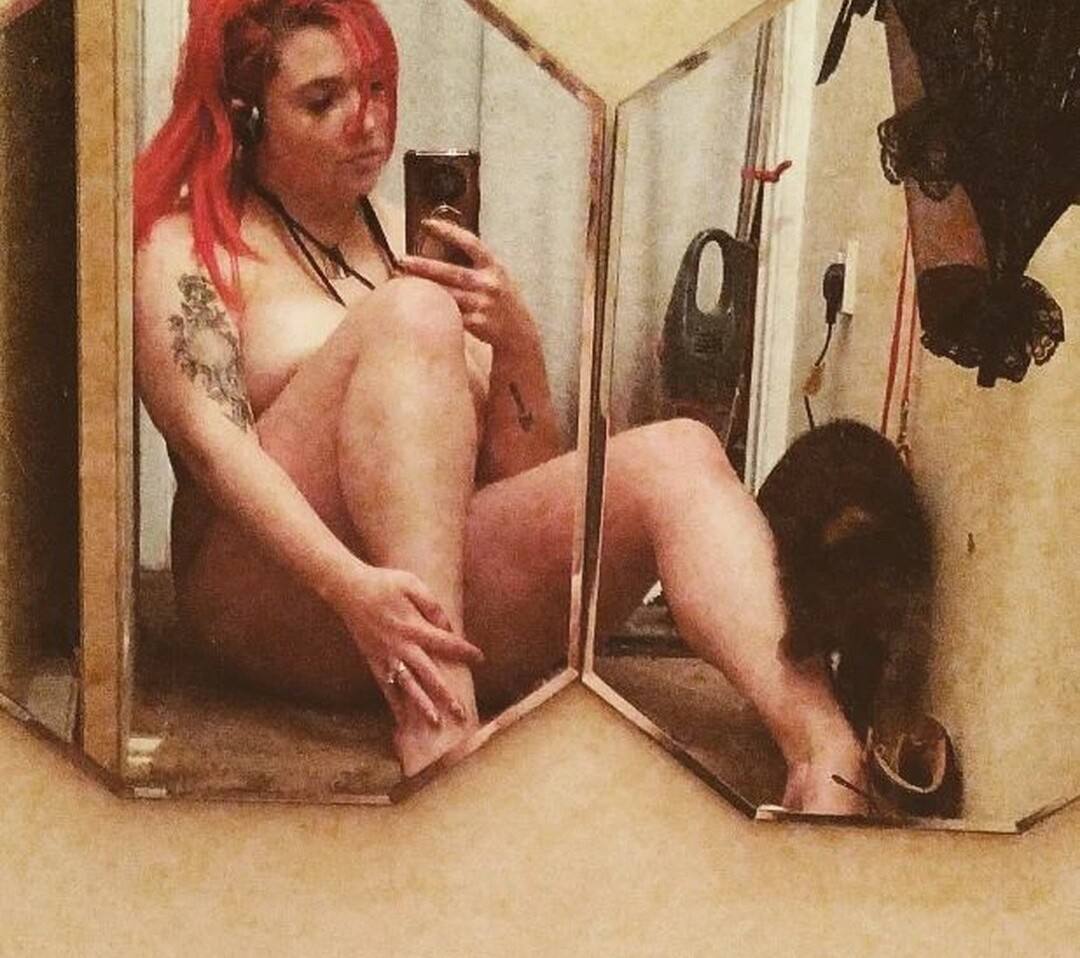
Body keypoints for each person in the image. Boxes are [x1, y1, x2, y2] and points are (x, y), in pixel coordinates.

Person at [134, 0, 866, 811]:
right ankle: (437, 724)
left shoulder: (414, 242)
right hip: (274, 595)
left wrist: (518, 346)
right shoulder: (188, 246)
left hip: (416, 606)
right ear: (247, 117)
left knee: (684, 451)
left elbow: (523, 479)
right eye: (322, 100)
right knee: (412, 313)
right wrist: (352, 588)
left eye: (375, 87)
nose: (367, 122)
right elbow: (213, 452)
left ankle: (828, 754)